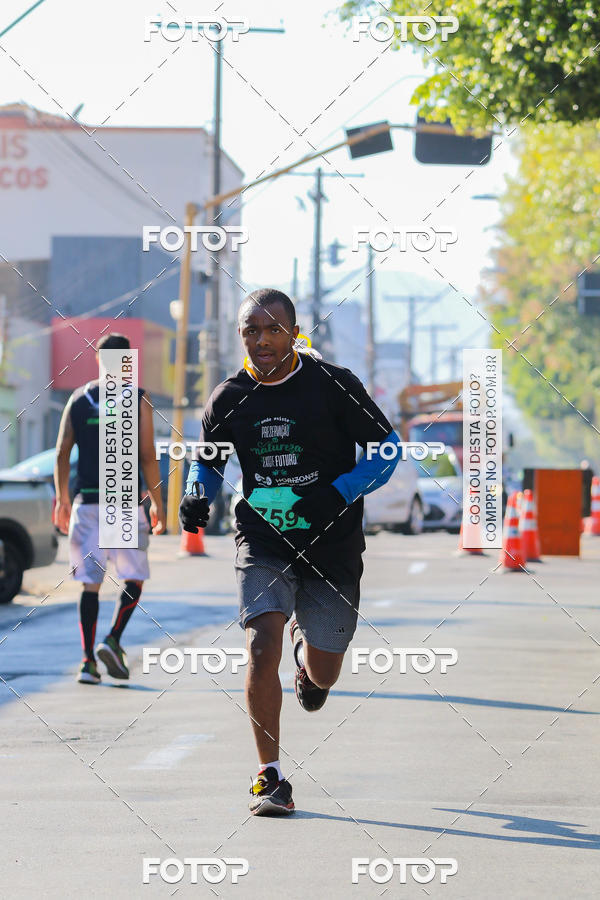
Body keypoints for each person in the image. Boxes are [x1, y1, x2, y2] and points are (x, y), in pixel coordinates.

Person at [179, 288, 400, 815]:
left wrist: (339, 491)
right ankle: (270, 776)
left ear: (293, 332)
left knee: (325, 671)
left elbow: (387, 451)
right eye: (250, 330)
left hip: (332, 543)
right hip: (263, 539)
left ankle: (310, 664)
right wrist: (196, 495)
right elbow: (207, 461)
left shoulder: (333, 385)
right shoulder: (228, 398)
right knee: (260, 646)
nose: (261, 340)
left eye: (271, 329)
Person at [54, 333, 165, 684]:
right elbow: (147, 456)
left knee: (90, 584)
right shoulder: (137, 399)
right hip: (124, 504)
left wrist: (62, 499)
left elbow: (61, 452)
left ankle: (88, 662)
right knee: (133, 577)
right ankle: (113, 638)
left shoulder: (79, 398)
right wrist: (159, 504)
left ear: (100, 360)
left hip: (87, 504)